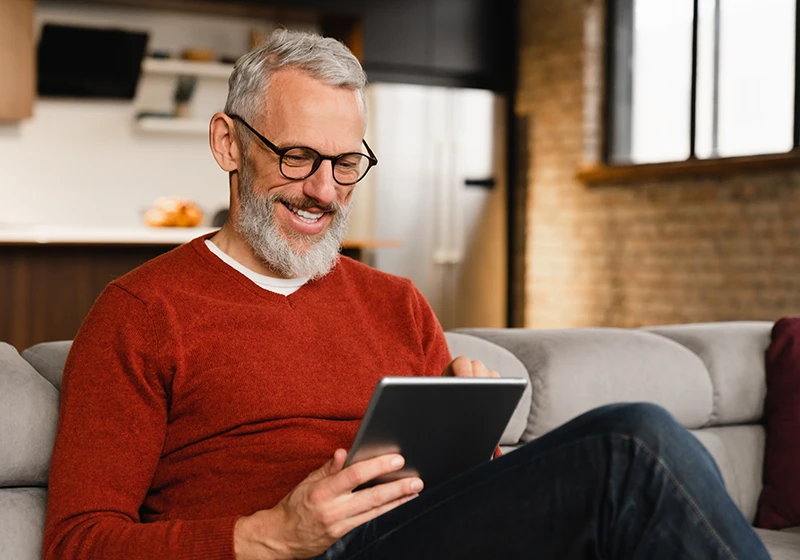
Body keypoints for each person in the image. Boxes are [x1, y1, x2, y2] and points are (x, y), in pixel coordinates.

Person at [43, 30, 771, 560]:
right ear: (228, 145)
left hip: (417, 539)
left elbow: (458, 502)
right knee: (631, 445)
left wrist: (472, 439)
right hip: (303, 555)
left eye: (347, 162)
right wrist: (268, 535)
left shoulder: (396, 301)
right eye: (297, 157)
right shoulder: (141, 312)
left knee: (629, 496)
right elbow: (77, 543)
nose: (324, 191)